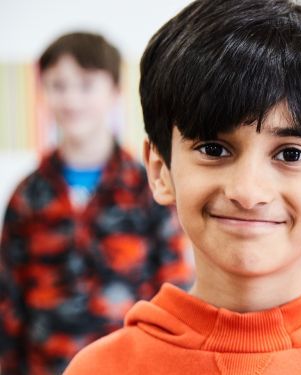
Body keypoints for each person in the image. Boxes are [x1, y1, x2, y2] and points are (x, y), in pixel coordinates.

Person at [63, 1, 301, 374]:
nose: (248, 191)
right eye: (213, 149)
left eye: (291, 154)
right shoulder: (102, 368)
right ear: (161, 169)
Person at [0, 32, 192, 375]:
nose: (71, 99)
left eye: (86, 84)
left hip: (131, 365)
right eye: (58, 85)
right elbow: (8, 297)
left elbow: (173, 283)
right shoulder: (27, 196)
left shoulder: (149, 185)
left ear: (115, 92)